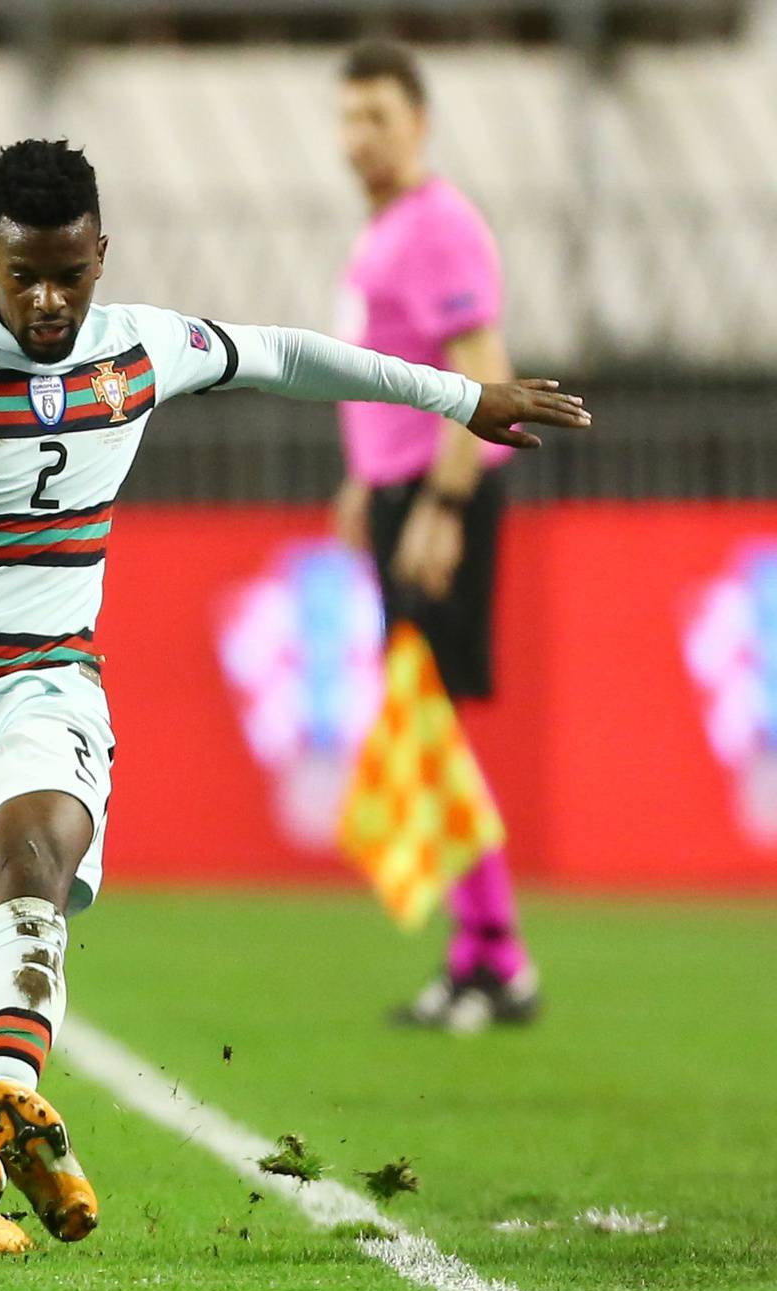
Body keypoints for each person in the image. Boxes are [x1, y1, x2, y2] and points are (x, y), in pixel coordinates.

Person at [0, 138, 590, 1252]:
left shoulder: (143, 347)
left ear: (102, 253)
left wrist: (459, 397)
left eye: (70, 273)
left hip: (45, 681)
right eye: (19, 274)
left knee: (29, 853)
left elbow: (285, 354)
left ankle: (6, 1091)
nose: (47, 299)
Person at [336, 42, 541, 1032]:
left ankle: (493, 955)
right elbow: (397, 373)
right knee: (426, 724)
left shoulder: (439, 228)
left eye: (376, 116)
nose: (357, 137)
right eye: (348, 118)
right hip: (399, 484)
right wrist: (362, 476)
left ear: (419, 123)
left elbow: (483, 368)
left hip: (437, 490)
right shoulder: (387, 231)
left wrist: (442, 506)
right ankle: (483, 951)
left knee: (432, 722)